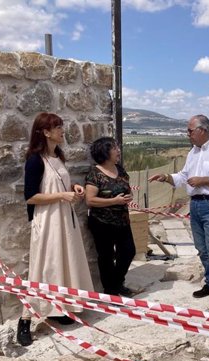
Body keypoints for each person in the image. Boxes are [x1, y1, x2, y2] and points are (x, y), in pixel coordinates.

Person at [20, 112, 94, 346]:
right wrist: (62, 195)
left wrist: (74, 187)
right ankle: (24, 320)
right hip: (49, 220)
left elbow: (57, 183)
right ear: (45, 132)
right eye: (58, 127)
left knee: (64, 262)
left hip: (64, 219)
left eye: (62, 126)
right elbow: (31, 197)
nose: (63, 130)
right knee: (45, 266)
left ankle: (61, 309)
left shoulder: (57, 156)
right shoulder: (34, 160)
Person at [149, 115, 209, 309]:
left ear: (203, 130)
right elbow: (184, 176)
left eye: (190, 131)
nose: (187, 134)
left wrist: (203, 180)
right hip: (196, 204)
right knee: (202, 248)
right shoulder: (193, 152)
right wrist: (165, 177)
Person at [85, 137, 136, 296]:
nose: (118, 151)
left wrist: (130, 196)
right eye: (115, 148)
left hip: (122, 221)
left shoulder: (120, 169)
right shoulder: (95, 173)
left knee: (128, 252)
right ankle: (111, 290)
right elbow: (90, 200)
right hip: (102, 223)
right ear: (105, 152)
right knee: (106, 257)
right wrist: (114, 200)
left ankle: (116, 283)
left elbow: (127, 189)